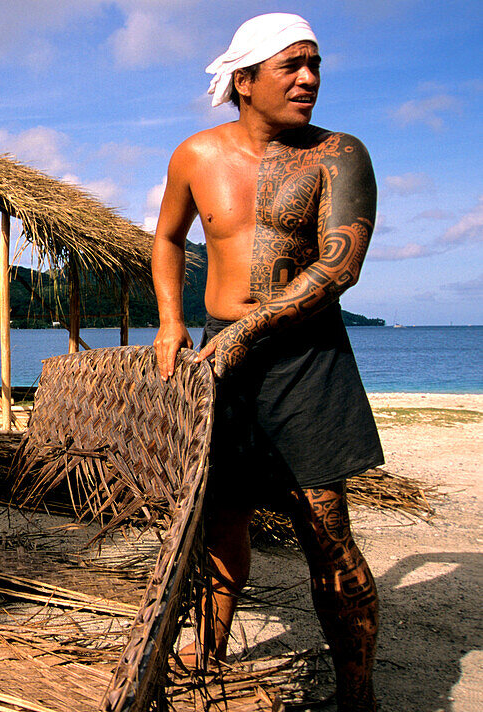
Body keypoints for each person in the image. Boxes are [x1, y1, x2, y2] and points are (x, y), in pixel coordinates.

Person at [151, 14, 382, 712]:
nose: (310, 78)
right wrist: (171, 320)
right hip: (221, 354)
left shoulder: (338, 154)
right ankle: (212, 646)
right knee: (220, 515)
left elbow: (340, 268)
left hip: (305, 356)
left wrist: (249, 331)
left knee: (323, 522)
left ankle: (357, 693)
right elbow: (165, 238)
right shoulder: (195, 155)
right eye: (293, 66)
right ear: (245, 80)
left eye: (315, 65)